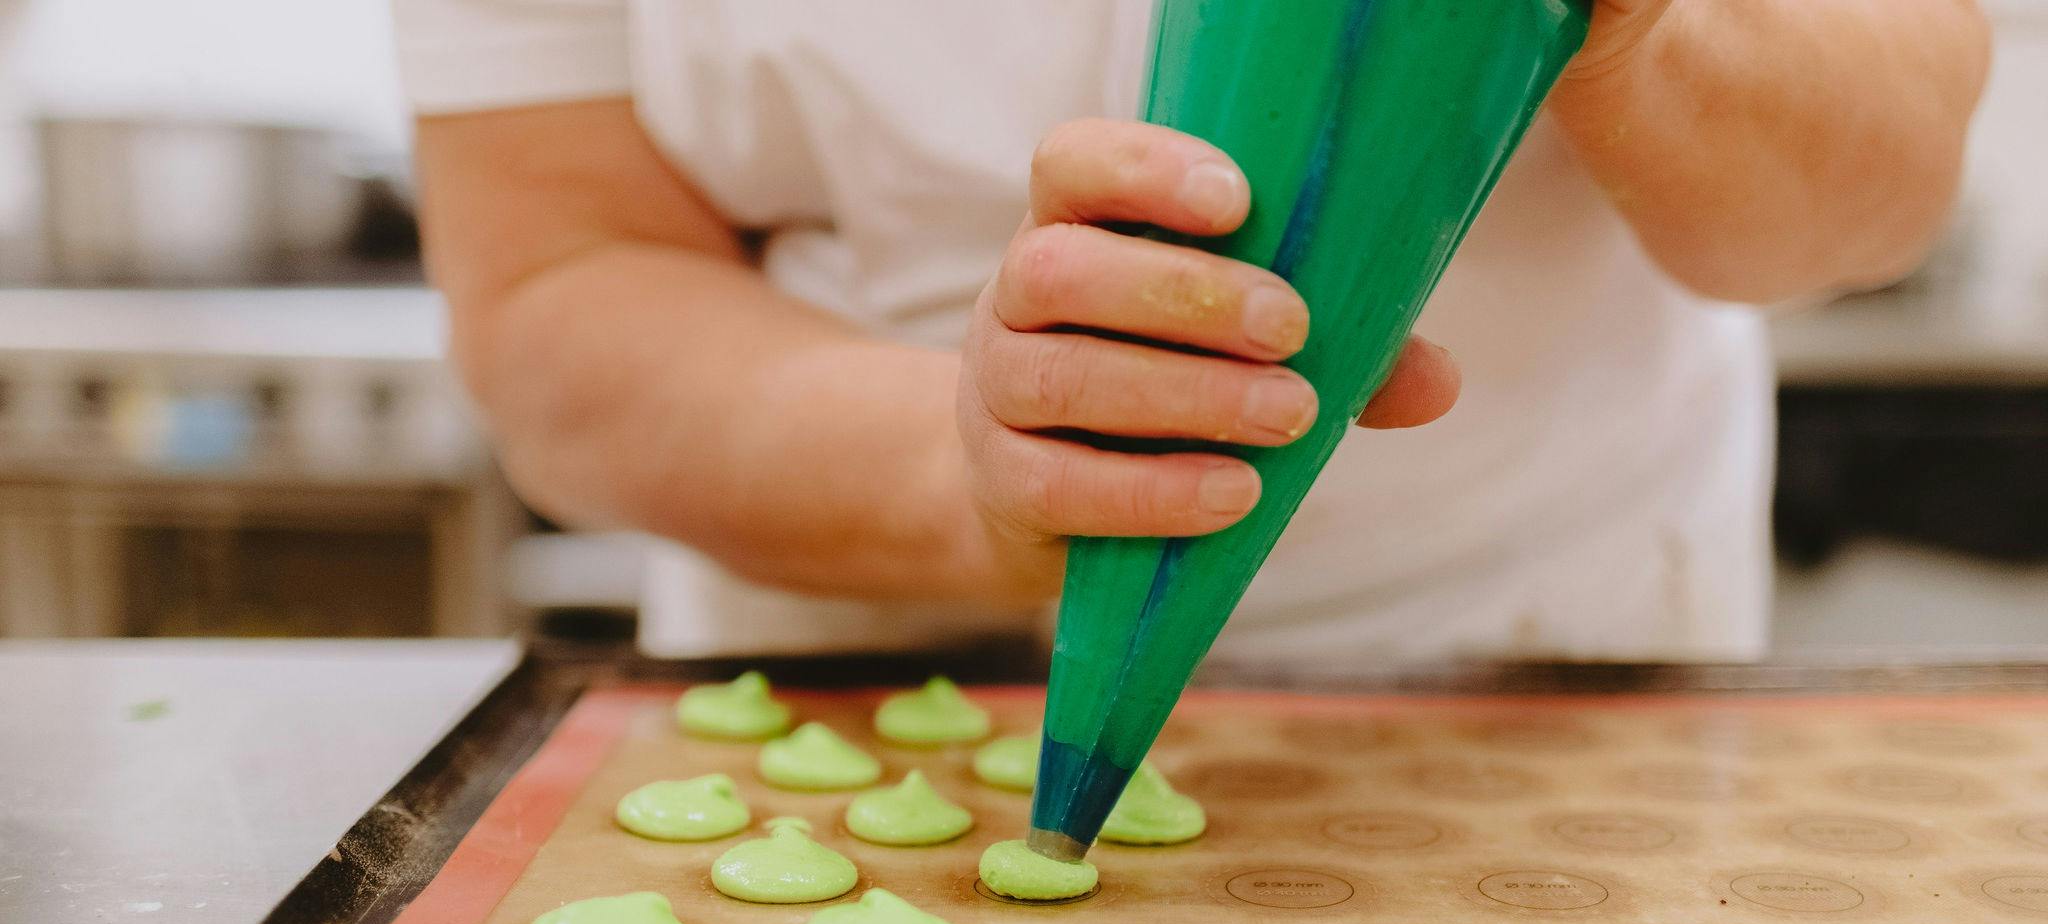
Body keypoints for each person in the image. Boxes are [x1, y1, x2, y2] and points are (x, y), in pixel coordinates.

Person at [394, 0, 1989, 663]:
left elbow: (1876, 188)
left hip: (1544, 680)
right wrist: (973, 479)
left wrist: (1636, 34)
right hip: (855, 684)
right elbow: (559, 283)